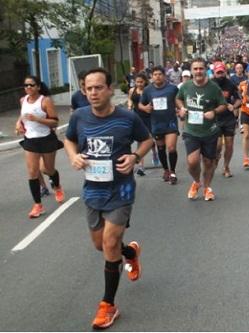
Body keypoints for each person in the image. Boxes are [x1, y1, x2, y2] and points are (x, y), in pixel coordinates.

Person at [64, 68, 153, 329]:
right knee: (101, 245)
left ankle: (108, 305)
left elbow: (147, 140)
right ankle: (131, 252)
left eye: (98, 87)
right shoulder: (79, 117)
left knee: (110, 242)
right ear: (84, 91)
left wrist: (135, 157)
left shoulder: (127, 118)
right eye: (89, 88)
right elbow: (69, 141)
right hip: (93, 190)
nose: (93, 92)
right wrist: (73, 156)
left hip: (121, 189)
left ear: (110, 89)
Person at [176, 58, 227, 201]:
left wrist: (214, 112)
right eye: (195, 69)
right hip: (191, 130)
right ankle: (197, 182)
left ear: (206, 70)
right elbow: (178, 99)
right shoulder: (186, 87)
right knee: (192, 162)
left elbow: (223, 104)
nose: (198, 71)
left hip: (210, 131)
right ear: (191, 71)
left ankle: (207, 187)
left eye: (201, 68)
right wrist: (181, 108)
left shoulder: (213, 87)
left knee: (208, 162)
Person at [16, 75, 65, 218]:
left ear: (38, 86)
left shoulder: (45, 101)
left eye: (31, 85)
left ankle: (57, 186)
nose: (28, 88)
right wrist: (19, 123)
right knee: (32, 172)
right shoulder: (22, 100)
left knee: (48, 169)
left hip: (46, 139)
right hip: (30, 140)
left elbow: (55, 122)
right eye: (26, 85)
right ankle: (38, 205)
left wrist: (37, 119)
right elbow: (22, 115)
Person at [139, 66, 180, 184]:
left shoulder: (172, 88)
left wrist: (181, 110)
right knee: (161, 148)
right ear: (152, 77)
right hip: (156, 123)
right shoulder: (148, 90)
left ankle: (173, 171)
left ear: (164, 75)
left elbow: (179, 101)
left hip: (170, 122)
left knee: (171, 148)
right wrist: (145, 108)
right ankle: (166, 170)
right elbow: (141, 104)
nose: (157, 76)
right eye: (155, 74)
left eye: (160, 74)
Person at [212, 62, 242, 178]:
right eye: (218, 72)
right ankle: (216, 158)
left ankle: (226, 166)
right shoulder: (210, 84)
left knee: (229, 145)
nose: (220, 74)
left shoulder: (230, 84)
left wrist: (233, 106)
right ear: (214, 73)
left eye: (222, 72)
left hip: (228, 118)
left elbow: (239, 99)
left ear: (225, 72)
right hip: (215, 119)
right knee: (218, 146)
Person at [128, 72, 150, 176]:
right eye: (137, 82)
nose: (139, 84)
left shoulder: (148, 90)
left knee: (150, 139)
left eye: (141, 82)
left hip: (148, 116)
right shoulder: (132, 90)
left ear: (145, 81)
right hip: (137, 117)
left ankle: (154, 153)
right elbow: (130, 99)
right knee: (140, 140)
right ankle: (141, 166)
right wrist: (129, 106)